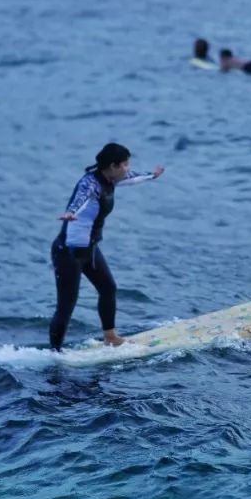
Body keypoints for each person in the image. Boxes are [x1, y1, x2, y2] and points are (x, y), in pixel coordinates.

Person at [50, 143, 165, 351]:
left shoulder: (111, 179)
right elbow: (80, 198)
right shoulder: (90, 184)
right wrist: (70, 212)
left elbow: (133, 178)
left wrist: (152, 175)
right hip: (69, 252)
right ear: (112, 166)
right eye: (125, 164)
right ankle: (55, 353)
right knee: (66, 306)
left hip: (90, 250)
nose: (128, 168)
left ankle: (110, 337)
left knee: (108, 288)